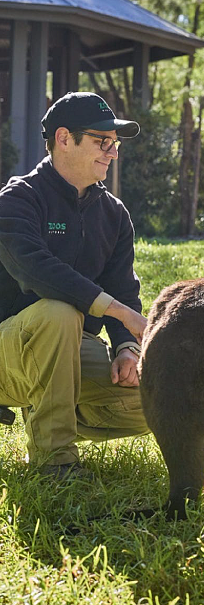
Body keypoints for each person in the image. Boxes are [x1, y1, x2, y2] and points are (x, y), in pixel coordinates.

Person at [0, 91, 149, 479]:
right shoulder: (17, 200)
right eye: (102, 141)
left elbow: (123, 287)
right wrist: (117, 311)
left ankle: (54, 412)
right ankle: (55, 462)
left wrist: (127, 347)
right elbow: (35, 270)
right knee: (59, 311)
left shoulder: (114, 214)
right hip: (8, 349)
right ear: (64, 139)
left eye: (114, 144)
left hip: (70, 348)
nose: (112, 152)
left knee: (159, 395)